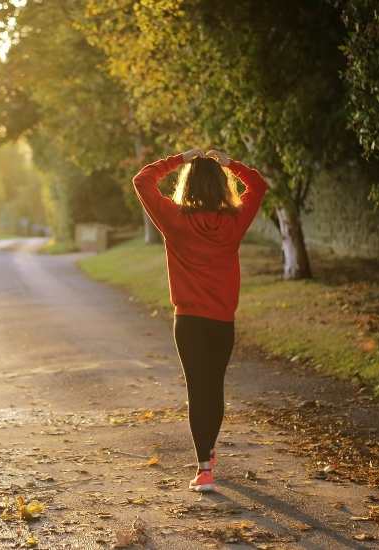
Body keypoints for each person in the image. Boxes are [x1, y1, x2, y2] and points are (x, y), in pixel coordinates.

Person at [131, 147, 269, 492]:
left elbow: (142, 180)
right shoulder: (234, 221)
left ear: (187, 185)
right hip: (222, 322)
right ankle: (208, 450)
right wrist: (230, 163)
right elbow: (259, 185)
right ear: (222, 186)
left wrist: (179, 158)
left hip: (189, 322)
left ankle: (204, 467)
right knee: (214, 387)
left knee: (198, 389)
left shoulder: (174, 220)